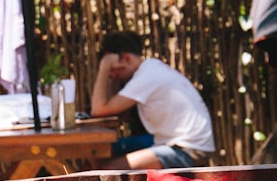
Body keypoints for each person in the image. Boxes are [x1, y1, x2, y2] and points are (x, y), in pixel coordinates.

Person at [90, 31, 216, 169]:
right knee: (105, 149)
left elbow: (99, 110)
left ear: (126, 59)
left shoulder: (147, 76)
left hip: (188, 149)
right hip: (169, 141)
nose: (112, 76)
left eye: (113, 70)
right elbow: (110, 111)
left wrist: (104, 68)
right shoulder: (149, 68)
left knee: (106, 172)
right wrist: (109, 71)